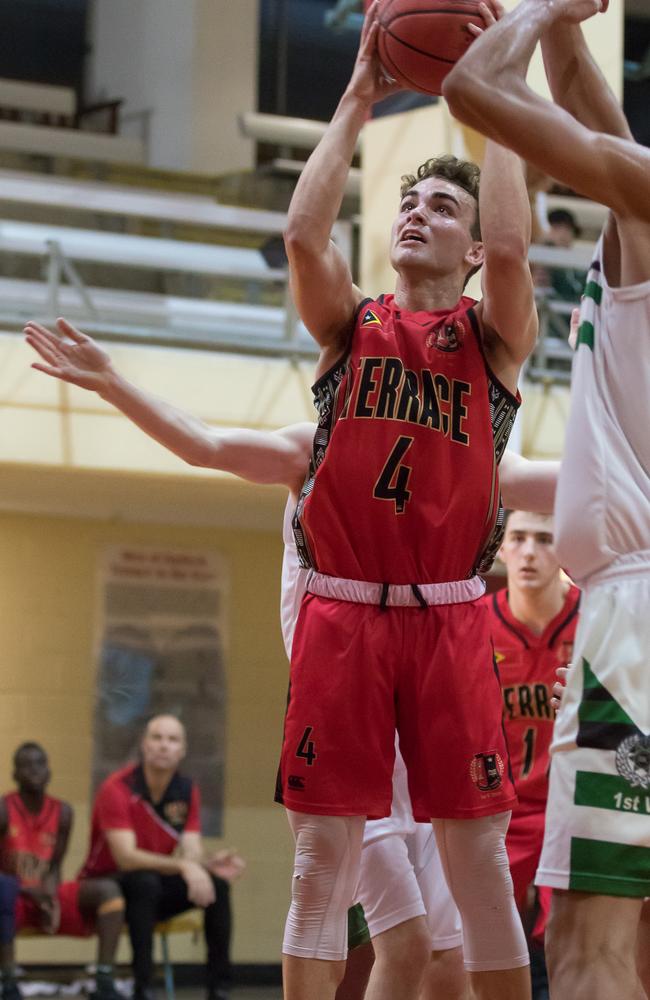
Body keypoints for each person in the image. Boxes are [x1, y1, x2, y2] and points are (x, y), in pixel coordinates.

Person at [23, 321, 559, 1000]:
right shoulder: (312, 447)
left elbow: (553, 482)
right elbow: (206, 444)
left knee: (447, 965)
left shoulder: (451, 451)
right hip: (345, 705)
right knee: (405, 941)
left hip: (427, 703)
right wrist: (114, 383)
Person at [279, 0, 539, 993]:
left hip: (445, 618)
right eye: (407, 202)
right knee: (317, 867)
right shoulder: (350, 326)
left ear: (470, 249)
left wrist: (493, 99)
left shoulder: (490, 338)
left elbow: (516, 255)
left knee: (475, 871)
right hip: (341, 613)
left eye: (442, 208)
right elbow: (305, 237)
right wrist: (353, 96)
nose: (414, 213)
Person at [443, 2, 650, 998]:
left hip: (634, 635)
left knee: (587, 946)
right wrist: (568, 19)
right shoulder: (638, 195)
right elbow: (587, 106)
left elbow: (471, 91)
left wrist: (526, 14)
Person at [482, 511, 580, 998]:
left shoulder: (597, 618)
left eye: (545, 539)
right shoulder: (477, 623)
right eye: (517, 538)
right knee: (478, 944)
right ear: (500, 546)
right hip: (499, 809)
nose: (528, 552)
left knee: (569, 943)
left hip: (575, 809)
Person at [78, 715, 244, 1000]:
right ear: (144, 745)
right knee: (145, 882)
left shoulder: (186, 789)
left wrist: (203, 865)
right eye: (157, 738)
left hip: (150, 886)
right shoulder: (117, 788)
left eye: (172, 739)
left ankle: (220, 989)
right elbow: (126, 858)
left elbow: (191, 846)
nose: (164, 746)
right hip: (107, 884)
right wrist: (185, 866)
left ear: (182, 750)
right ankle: (144, 987)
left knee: (217, 887)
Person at [0, 743, 123, 1000]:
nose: (34, 770)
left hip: (43, 893)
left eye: (40, 764)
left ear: (49, 772)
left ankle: (104, 979)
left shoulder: (63, 811)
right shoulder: (3, 809)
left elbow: (55, 866)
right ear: (14, 774)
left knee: (108, 890)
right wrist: (26, 890)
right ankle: (9, 980)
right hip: (14, 897)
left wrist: (50, 896)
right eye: (26, 765)